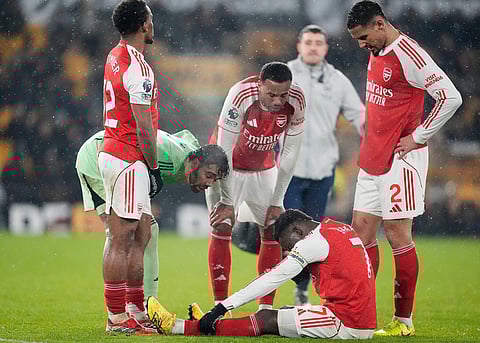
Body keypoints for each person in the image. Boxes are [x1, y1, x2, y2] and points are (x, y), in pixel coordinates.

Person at [346, 0, 462, 336]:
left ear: (380, 24)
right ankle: (360, 313)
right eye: (356, 39)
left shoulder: (410, 55)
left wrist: (419, 137)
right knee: (361, 233)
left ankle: (403, 321)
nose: (361, 44)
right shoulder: (377, 49)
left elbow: (450, 97)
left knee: (397, 234)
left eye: (364, 36)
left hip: (401, 158)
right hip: (372, 157)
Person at [146, 209, 376, 339]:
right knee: (285, 313)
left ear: (298, 230)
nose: (288, 252)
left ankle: (180, 327)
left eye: (288, 245)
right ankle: (209, 321)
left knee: (266, 319)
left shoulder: (312, 242)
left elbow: (272, 278)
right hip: (360, 316)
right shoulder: (337, 226)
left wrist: (222, 307)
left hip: (346, 322)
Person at [75, 129, 229, 316]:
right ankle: (131, 310)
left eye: (215, 179)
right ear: (196, 162)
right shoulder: (169, 158)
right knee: (123, 234)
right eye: (209, 175)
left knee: (144, 231)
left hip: (110, 158)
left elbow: (186, 134)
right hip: (99, 158)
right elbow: (142, 139)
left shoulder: (193, 154)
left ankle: (140, 306)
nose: (210, 183)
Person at [206, 62, 305, 309]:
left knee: (273, 230)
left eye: (282, 95)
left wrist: (277, 201)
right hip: (227, 168)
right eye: (271, 94)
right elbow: (223, 150)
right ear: (260, 84)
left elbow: (291, 153)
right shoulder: (240, 94)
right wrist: (227, 201)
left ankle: (266, 308)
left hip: (264, 168)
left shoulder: (297, 100)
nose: (277, 101)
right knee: (222, 225)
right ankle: (220, 306)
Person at [285, 24, 365, 306]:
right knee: (289, 233)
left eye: (318, 43)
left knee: (314, 234)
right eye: (308, 42)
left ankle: (305, 290)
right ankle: (275, 290)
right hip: (290, 170)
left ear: (326, 48)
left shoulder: (337, 80)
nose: (313, 47)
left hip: (322, 171)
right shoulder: (285, 74)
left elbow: (360, 117)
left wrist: (377, 143)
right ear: (299, 45)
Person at [97, 0, 161, 334]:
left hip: (116, 152)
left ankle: (135, 310)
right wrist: (153, 165)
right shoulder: (139, 68)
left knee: (142, 233)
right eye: (150, 19)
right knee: (121, 236)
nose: (153, 24)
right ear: (144, 26)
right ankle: (117, 317)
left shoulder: (115, 54)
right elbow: (143, 127)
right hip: (127, 157)